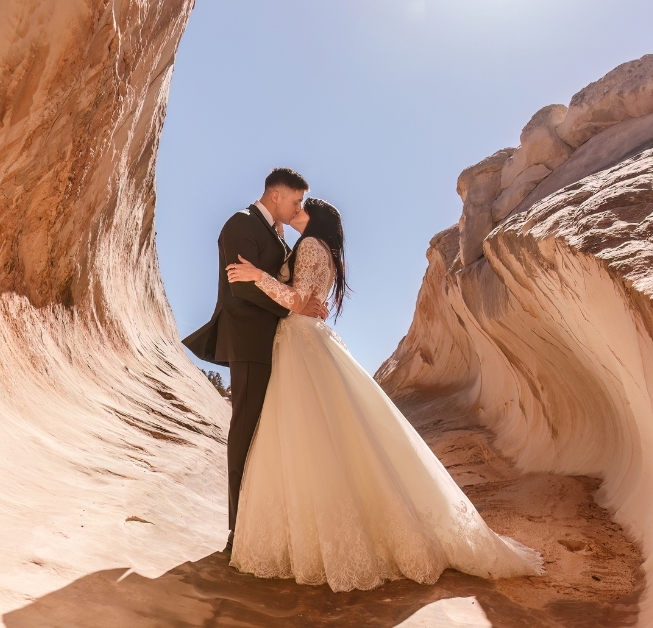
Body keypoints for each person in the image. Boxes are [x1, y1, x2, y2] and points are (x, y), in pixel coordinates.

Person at [223, 196, 544, 591]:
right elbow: (309, 302)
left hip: (300, 344)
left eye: (302, 208)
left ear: (315, 219)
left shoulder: (308, 246)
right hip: (309, 341)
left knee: (305, 437)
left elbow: (297, 301)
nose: (295, 211)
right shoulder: (323, 250)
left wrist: (257, 274)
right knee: (329, 437)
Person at [182, 168, 328, 552]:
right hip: (249, 341)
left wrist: (297, 302)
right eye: (296, 201)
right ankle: (237, 529)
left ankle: (267, 523)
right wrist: (295, 308)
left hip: (275, 343)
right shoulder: (240, 223)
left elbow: (279, 282)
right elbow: (242, 286)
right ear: (276, 196)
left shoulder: (276, 236)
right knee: (245, 429)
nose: (299, 208)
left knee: (268, 434)